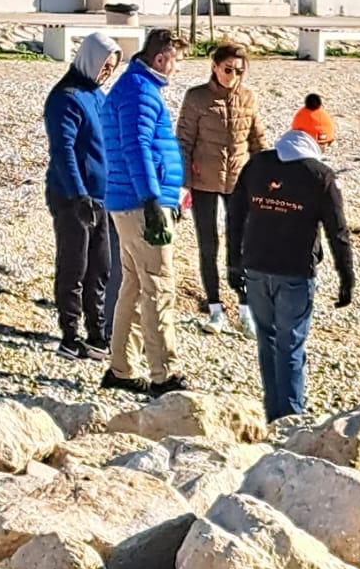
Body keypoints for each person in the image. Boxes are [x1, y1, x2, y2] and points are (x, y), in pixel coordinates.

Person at [230, 129, 354, 421]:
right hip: (295, 272)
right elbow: (338, 231)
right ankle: (290, 418)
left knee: (268, 340)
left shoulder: (257, 165)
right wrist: (346, 276)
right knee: (291, 344)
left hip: (256, 267)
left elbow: (234, 217)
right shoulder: (320, 176)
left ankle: (274, 414)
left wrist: (233, 264)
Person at [102, 27, 189, 397]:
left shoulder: (136, 87)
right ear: (160, 59)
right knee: (158, 285)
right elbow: (136, 148)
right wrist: (153, 200)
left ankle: (121, 368)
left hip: (129, 201)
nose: (178, 69)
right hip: (140, 204)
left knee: (136, 285)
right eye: (177, 61)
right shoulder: (140, 92)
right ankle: (164, 373)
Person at [177, 42, 266, 336]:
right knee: (208, 244)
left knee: (240, 245)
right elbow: (184, 142)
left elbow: (257, 141)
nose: (234, 76)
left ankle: (245, 310)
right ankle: (215, 308)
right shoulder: (196, 97)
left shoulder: (248, 98)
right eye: (228, 69)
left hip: (238, 181)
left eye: (240, 71)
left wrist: (267, 177)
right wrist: (183, 184)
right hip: (203, 180)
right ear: (215, 67)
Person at [43, 31, 119, 360]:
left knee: (100, 267)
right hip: (73, 198)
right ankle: (70, 334)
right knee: (75, 265)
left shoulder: (97, 94)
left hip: (103, 198)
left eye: (112, 68)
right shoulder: (66, 97)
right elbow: (63, 151)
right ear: (91, 60)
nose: (107, 73)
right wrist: (78, 195)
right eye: (104, 66)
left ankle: (97, 332)